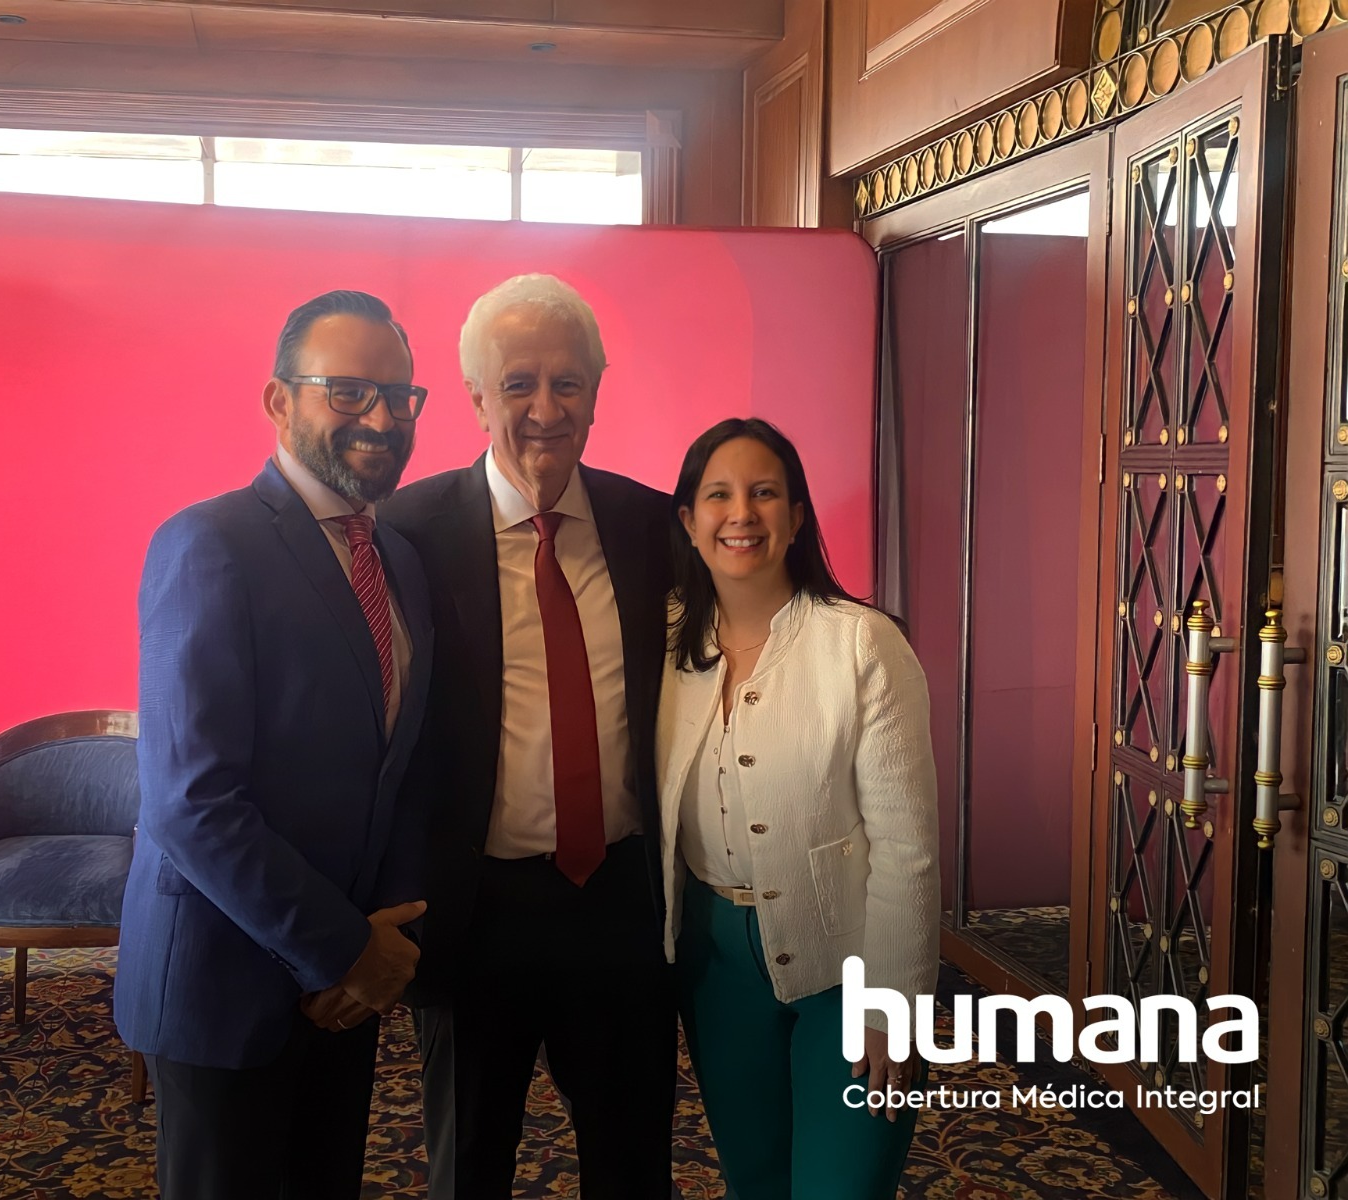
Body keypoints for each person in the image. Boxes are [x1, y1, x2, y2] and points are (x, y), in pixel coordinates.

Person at [114, 289, 435, 1200]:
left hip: (346, 993)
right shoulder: (208, 544)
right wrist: (343, 949)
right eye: (349, 392)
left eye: (399, 397)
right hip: (226, 989)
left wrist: (383, 945)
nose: (381, 419)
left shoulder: (399, 561)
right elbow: (191, 804)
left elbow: (400, 768)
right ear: (278, 399)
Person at [379, 273, 677, 1199]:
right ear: (476, 399)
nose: (546, 410)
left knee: (634, 1163)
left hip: (621, 903)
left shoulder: (651, 525)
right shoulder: (407, 533)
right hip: (475, 912)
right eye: (518, 384)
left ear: (597, 389)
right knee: (468, 1167)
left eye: (568, 382)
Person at [658, 417, 939, 1200]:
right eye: (718, 495)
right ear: (689, 519)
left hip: (849, 968)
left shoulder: (862, 644)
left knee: (843, 1186)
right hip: (715, 966)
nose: (741, 514)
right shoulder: (665, 641)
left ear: (797, 515)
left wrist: (894, 1005)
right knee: (755, 1180)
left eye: (764, 493)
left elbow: (908, 848)